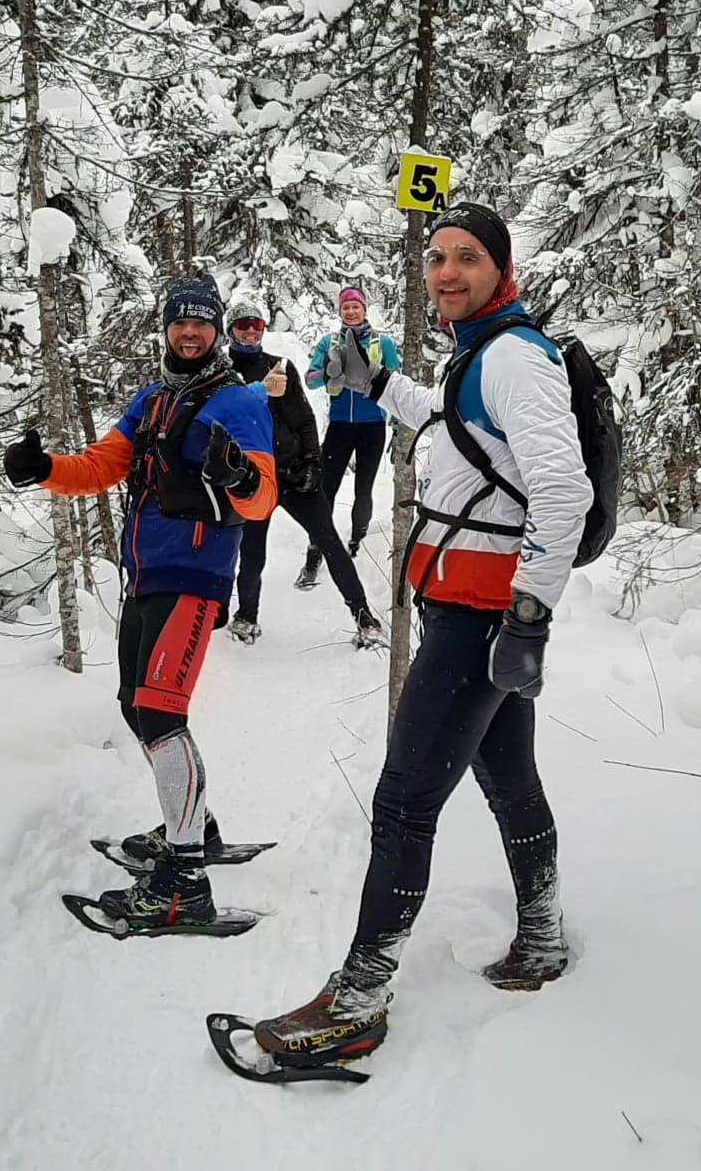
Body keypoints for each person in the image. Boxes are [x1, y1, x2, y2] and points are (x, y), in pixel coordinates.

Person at [249, 203, 590, 1065]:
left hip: (484, 618)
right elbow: (451, 424)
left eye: (467, 257)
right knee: (509, 777)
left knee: (404, 802)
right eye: (436, 257)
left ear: (501, 269)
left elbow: (564, 492)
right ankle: (542, 935)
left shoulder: (515, 357)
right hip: (469, 609)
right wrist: (374, 386)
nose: (446, 271)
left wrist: (528, 618)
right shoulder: (478, 354)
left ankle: (359, 997)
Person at [1, 274, 277, 930]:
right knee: (135, 704)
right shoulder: (152, 402)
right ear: (167, 329)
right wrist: (43, 470)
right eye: (180, 322)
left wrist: (237, 474)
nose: (190, 333)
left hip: (197, 575)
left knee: (159, 711)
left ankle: (185, 884)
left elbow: (262, 498)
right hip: (145, 576)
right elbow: (102, 466)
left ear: (215, 331)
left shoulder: (238, 403)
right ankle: (196, 828)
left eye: (201, 323)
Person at [224, 299, 385, 649]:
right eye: (243, 325)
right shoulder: (223, 373)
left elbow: (303, 417)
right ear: (230, 330)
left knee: (330, 542)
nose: (251, 330)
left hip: (295, 470)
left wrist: (313, 462)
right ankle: (246, 616)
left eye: (257, 324)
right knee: (252, 553)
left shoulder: (279, 365)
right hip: (254, 478)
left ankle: (364, 618)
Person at [298, 287, 399, 588]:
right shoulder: (329, 342)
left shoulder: (384, 342)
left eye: (356, 307)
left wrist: (376, 375)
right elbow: (310, 380)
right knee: (325, 490)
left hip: (372, 427)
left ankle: (358, 541)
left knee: (363, 489)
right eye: (346, 308)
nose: (351, 312)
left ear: (364, 309)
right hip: (340, 425)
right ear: (340, 312)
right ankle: (315, 551)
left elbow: (397, 382)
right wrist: (330, 374)